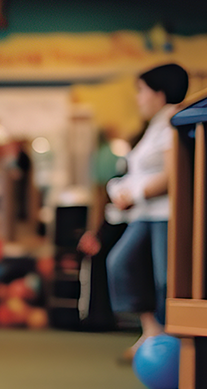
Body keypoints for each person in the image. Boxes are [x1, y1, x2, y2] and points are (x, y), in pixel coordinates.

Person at [102, 63, 189, 361]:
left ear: (160, 93)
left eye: (141, 91)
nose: (138, 98)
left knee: (167, 281)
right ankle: (152, 333)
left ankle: (172, 341)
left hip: (166, 214)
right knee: (120, 263)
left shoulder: (171, 122)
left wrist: (133, 194)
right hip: (145, 214)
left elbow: (171, 176)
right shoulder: (153, 126)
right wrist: (122, 190)